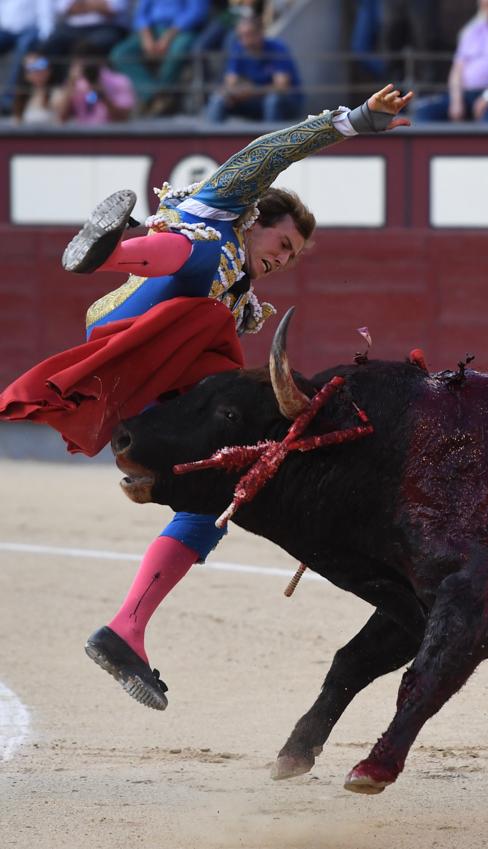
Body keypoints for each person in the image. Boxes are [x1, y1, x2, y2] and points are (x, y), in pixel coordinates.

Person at [0, 83, 414, 711]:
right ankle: (115, 249)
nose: (283, 260)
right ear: (259, 220)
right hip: (134, 320)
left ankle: (126, 630)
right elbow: (271, 151)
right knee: (198, 253)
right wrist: (354, 122)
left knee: (216, 490)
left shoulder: (243, 301)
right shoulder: (226, 211)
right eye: (282, 245)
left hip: (159, 374)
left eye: (294, 258)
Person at [415, 0, 488, 123]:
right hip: (466, 93)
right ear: (482, 6)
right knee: (425, 113)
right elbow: (457, 69)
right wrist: (456, 100)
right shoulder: (472, 30)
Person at [109, 0, 210, 116]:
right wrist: (146, 37)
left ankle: (163, 93)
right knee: (120, 54)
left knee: (178, 50)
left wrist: (168, 37)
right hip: (153, 30)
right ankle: (154, 96)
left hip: (183, 31)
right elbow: (141, 14)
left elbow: (196, 13)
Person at [205, 13, 303, 123]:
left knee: (272, 100)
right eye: (241, 36)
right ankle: (211, 138)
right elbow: (231, 83)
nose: (245, 41)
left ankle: (271, 139)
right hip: (253, 101)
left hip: (286, 104)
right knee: (218, 99)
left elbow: (281, 87)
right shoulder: (238, 49)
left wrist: (252, 91)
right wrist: (233, 93)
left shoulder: (277, 48)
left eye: (248, 35)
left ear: (260, 33)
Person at [38, 0, 130, 85]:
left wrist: (81, 5)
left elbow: (114, 7)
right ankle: (57, 89)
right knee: (50, 44)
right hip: (72, 28)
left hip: (106, 27)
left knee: (90, 46)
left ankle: (96, 87)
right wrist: (96, 5)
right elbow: (64, 8)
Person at [54, 46, 135, 123]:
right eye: (83, 65)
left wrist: (104, 96)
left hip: (110, 134)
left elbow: (124, 118)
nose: (87, 68)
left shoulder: (119, 81)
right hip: (82, 135)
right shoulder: (74, 83)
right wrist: (70, 83)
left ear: (100, 62)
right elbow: (61, 118)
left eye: (89, 65)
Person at [0, 0, 54, 115]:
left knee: (23, 47)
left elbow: (45, 14)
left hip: (30, 30)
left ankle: (9, 99)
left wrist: (45, 39)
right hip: (5, 30)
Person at [12, 49, 58, 123]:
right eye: (32, 68)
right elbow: (16, 123)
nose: (38, 72)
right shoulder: (21, 98)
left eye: (42, 66)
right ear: (25, 74)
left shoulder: (57, 93)